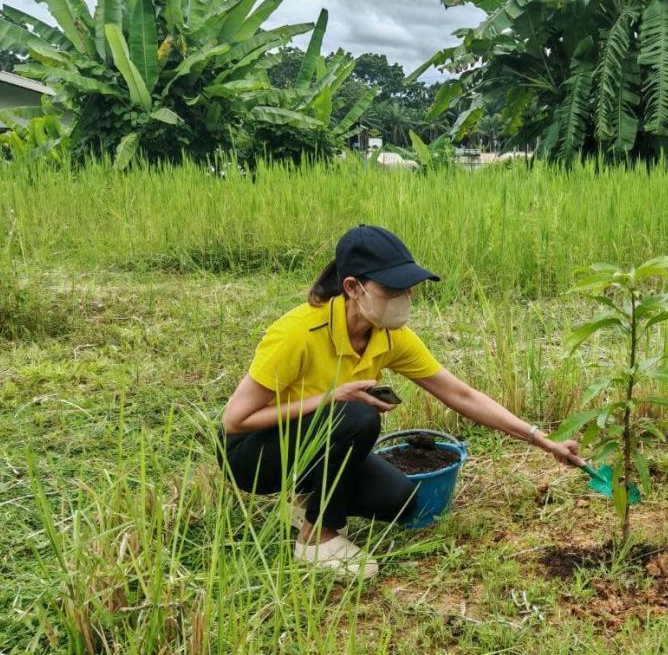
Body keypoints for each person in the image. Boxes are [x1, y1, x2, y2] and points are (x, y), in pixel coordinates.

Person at [220, 224, 582, 579]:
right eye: (392, 288)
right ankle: (317, 537)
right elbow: (235, 421)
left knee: (398, 500)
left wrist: (542, 440)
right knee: (357, 416)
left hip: (311, 442)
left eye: (407, 287)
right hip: (252, 454)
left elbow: (460, 394)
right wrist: (331, 397)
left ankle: (304, 502)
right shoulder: (298, 333)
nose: (404, 296)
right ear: (353, 287)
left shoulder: (389, 337)